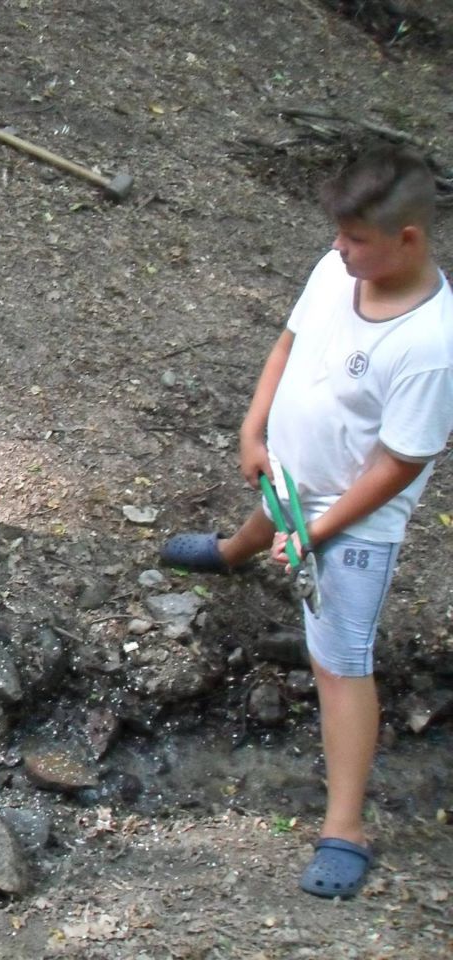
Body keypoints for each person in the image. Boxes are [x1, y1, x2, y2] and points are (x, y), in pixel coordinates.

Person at [162, 147, 453, 898]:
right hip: (292, 474)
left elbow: (400, 463)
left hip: (354, 518)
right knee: (271, 513)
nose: (337, 247)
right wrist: (253, 427)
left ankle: (345, 828)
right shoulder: (336, 272)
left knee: (340, 661)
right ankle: (233, 552)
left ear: (408, 239)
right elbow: (289, 342)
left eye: (354, 238)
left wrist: (318, 533)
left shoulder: (430, 345)